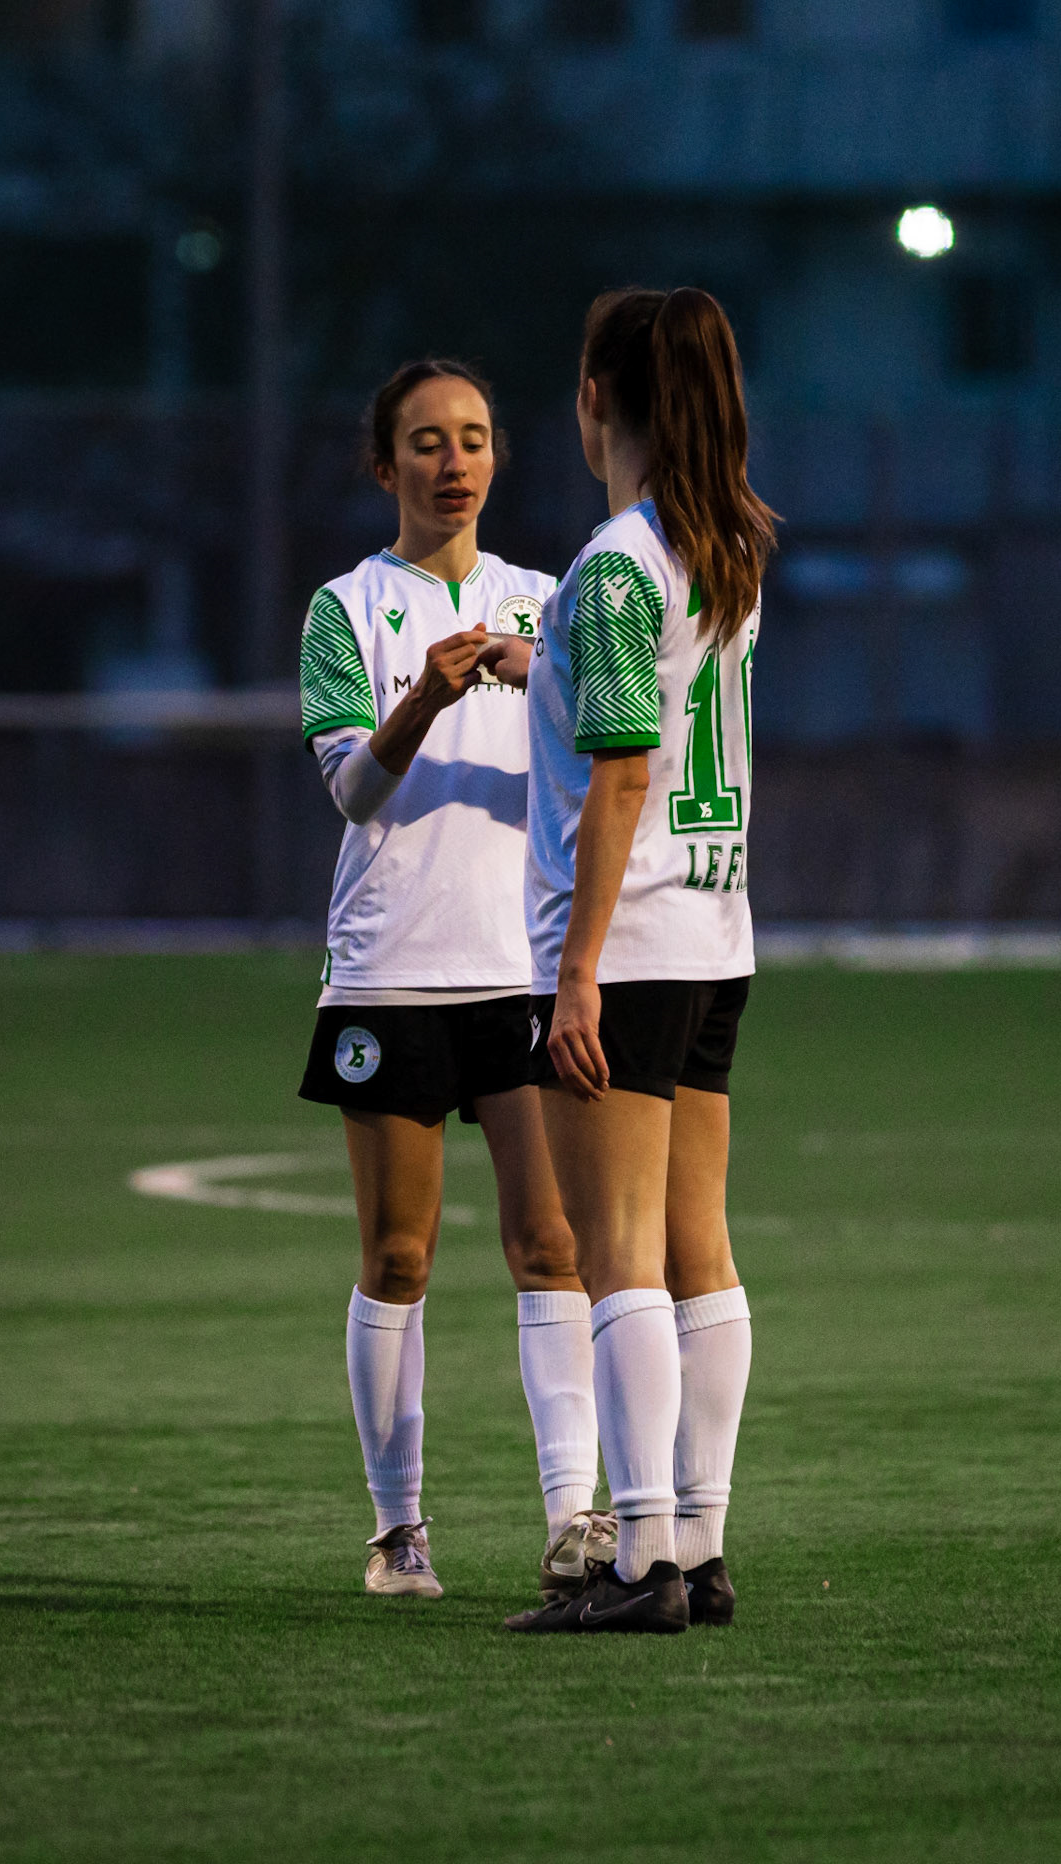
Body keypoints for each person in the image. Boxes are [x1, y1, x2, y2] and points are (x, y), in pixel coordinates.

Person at [297, 358, 612, 1602]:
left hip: (524, 969)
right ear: (387, 465)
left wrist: (539, 672)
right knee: (401, 1255)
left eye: (475, 435)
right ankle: (397, 1529)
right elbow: (351, 788)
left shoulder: (552, 598)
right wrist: (427, 693)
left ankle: (573, 1522)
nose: (455, 458)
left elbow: (616, 737)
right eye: (426, 440)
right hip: (390, 967)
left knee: (553, 1242)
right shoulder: (345, 609)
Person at [501, 288, 778, 1635]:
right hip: (716, 933)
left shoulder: (610, 563)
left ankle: (638, 1568)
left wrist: (572, 974)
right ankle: (703, 1548)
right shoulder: (722, 543)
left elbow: (620, 776)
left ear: (597, 398)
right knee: (697, 1251)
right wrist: (538, 656)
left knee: (617, 1256)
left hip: (632, 946)